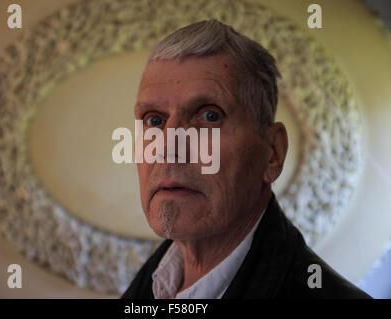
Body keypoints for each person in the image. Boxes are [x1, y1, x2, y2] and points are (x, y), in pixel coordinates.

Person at [122, 19, 370, 299]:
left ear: (272, 153)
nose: (167, 147)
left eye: (210, 116)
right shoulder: (155, 283)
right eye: (154, 120)